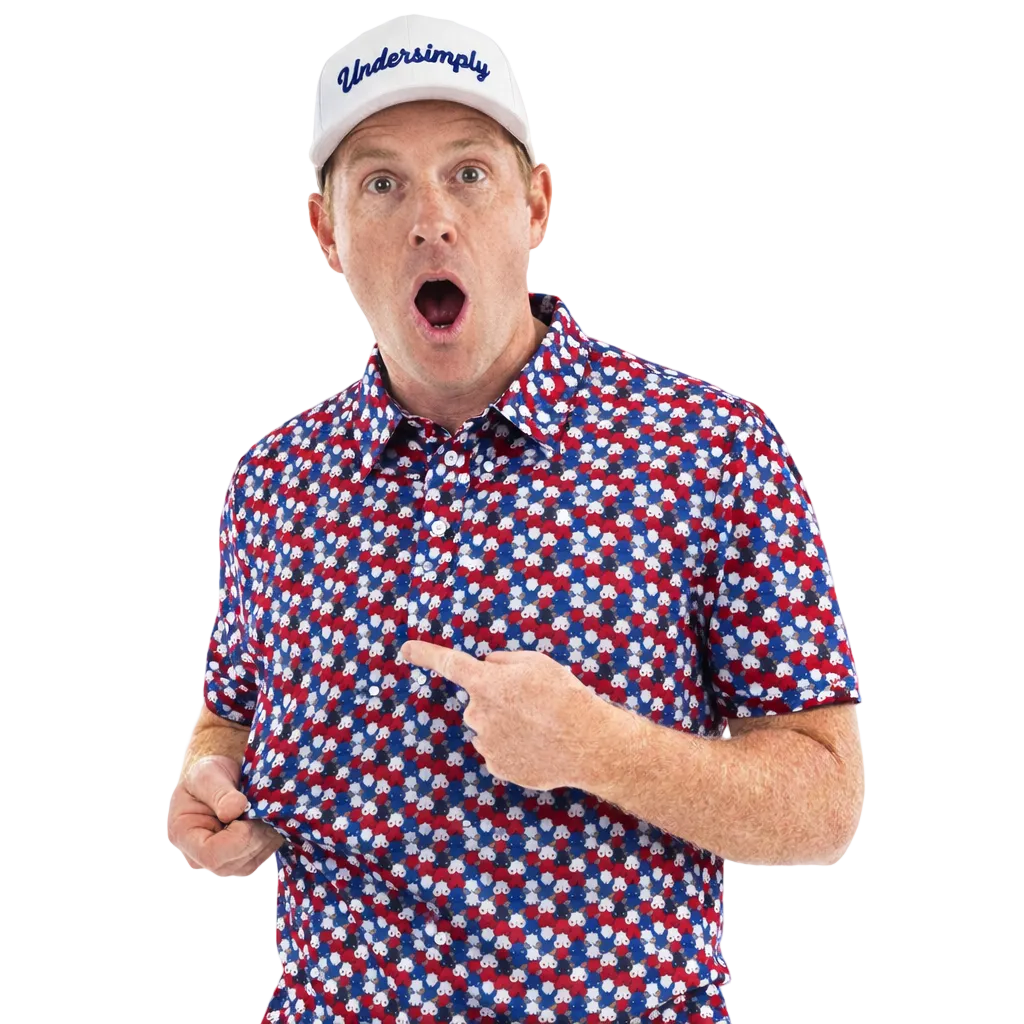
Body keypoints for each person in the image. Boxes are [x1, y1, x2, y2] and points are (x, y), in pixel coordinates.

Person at [166, 13, 865, 1024]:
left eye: (469, 173)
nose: (429, 219)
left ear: (535, 204)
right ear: (325, 233)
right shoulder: (274, 480)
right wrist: (212, 785)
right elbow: (228, 714)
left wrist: (594, 744)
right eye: (380, 183)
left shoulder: (711, 447)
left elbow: (825, 806)